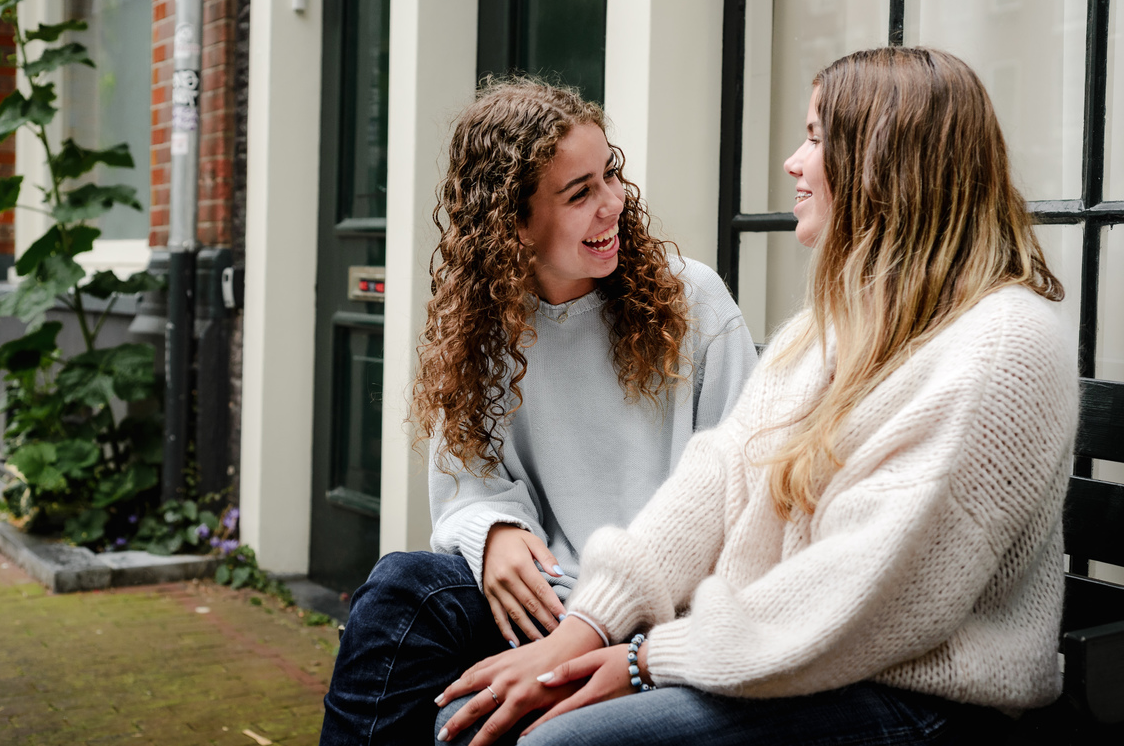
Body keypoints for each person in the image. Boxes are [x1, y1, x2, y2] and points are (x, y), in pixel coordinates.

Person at [434, 47, 1079, 746]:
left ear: (885, 165)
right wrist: (585, 630)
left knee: (557, 743)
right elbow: (715, 478)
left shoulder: (1004, 345)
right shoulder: (834, 328)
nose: (793, 164)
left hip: (916, 691)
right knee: (466, 725)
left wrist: (643, 659)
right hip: (788, 658)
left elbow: (861, 593)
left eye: (814, 138)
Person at [316, 77, 759, 745]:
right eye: (580, 193)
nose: (613, 203)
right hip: (547, 596)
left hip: (659, 610)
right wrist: (491, 531)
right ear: (514, 222)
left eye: (609, 175)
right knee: (402, 589)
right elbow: (464, 485)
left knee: (459, 723)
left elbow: (744, 487)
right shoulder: (484, 329)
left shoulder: (690, 301)